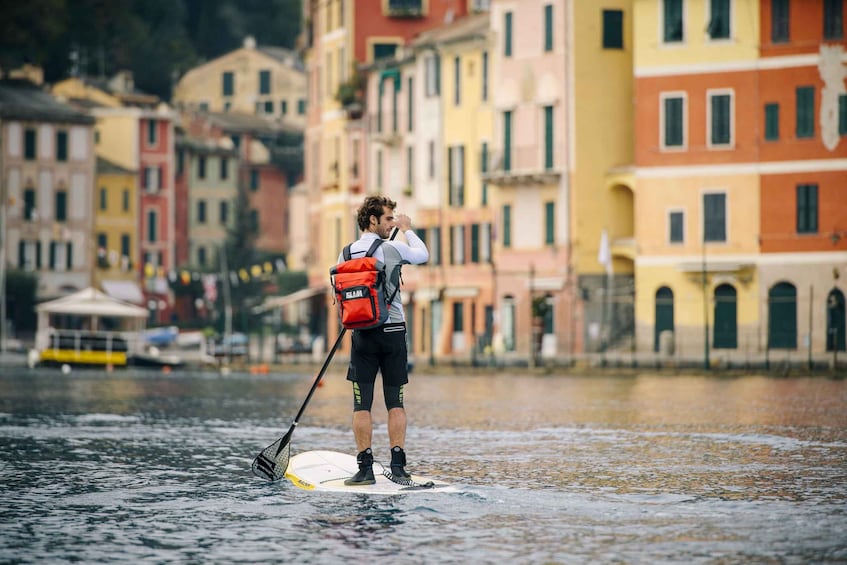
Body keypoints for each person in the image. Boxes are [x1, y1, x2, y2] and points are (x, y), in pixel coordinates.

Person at [339, 195, 429, 485]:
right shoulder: (393, 247)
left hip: (361, 334)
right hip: (393, 332)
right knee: (395, 403)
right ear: (373, 220)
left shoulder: (346, 253)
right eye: (389, 218)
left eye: (394, 219)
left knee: (361, 405)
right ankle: (398, 467)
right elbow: (423, 255)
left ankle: (365, 469)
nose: (392, 222)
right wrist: (407, 228)